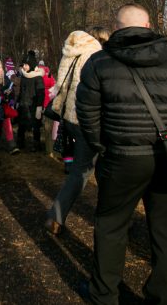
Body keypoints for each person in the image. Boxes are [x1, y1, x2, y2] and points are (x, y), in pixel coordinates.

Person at [77, 4, 167, 305]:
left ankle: (104, 294)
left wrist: (104, 146)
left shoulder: (99, 64)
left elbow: (87, 116)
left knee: (111, 226)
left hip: (121, 157)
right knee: (166, 230)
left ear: (117, 28)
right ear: (149, 25)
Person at [45, 27, 108, 236]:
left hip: (72, 117)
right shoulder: (97, 56)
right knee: (96, 171)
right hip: (90, 119)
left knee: (80, 170)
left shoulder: (71, 52)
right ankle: (112, 219)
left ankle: (56, 216)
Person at [17, 52, 45, 152]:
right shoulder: (24, 76)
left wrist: (39, 107)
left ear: (32, 65)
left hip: (33, 106)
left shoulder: (38, 77)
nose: (23, 67)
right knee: (21, 125)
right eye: (23, 64)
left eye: (26, 64)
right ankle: (20, 143)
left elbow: (41, 93)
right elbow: (21, 90)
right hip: (23, 104)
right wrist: (18, 101)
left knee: (35, 126)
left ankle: (36, 145)